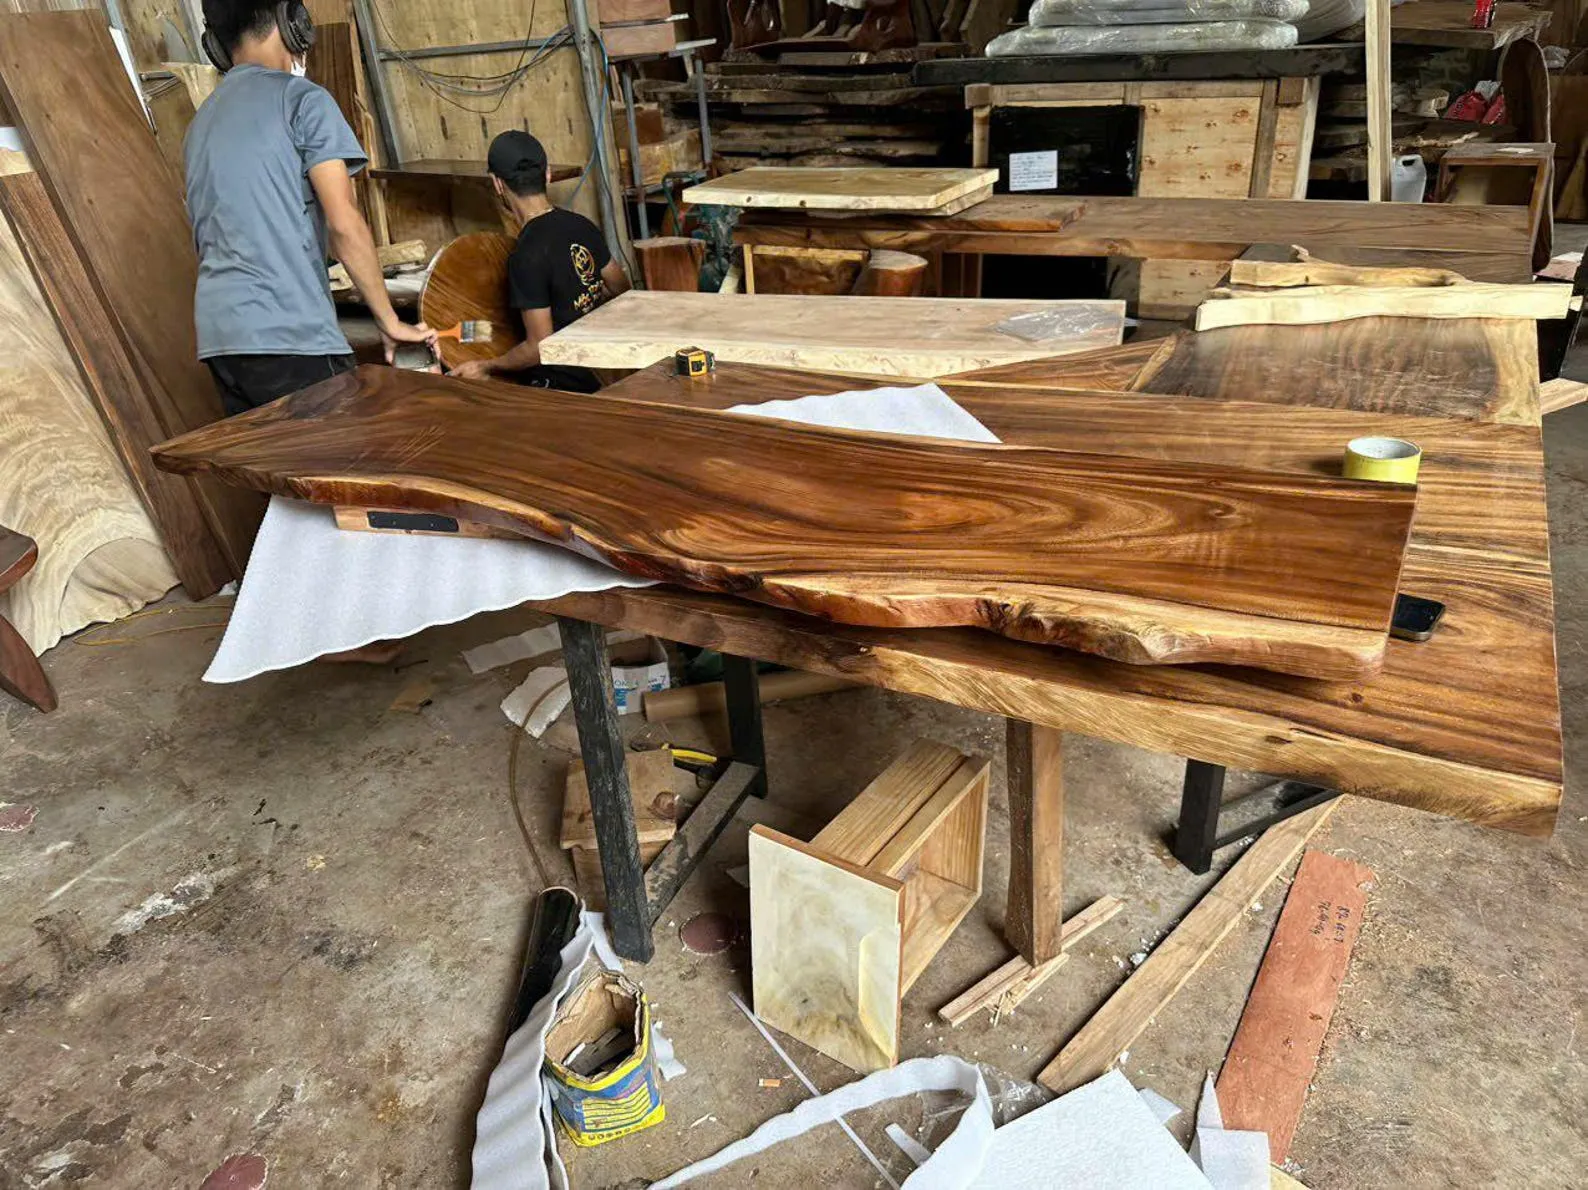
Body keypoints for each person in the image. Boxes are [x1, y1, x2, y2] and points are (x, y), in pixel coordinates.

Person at [184, 0, 436, 416]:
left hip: (221, 340)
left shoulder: (200, 125)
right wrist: (389, 321)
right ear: (292, 23)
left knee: (277, 475)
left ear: (215, 43)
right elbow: (344, 225)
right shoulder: (302, 100)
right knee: (342, 473)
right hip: (290, 335)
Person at [448, 131, 630, 391]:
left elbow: (539, 348)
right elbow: (622, 289)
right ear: (547, 174)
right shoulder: (581, 225)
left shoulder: (526, 256)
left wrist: (488, 365)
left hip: (564, 386)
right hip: (600, 370)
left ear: (497, 183)